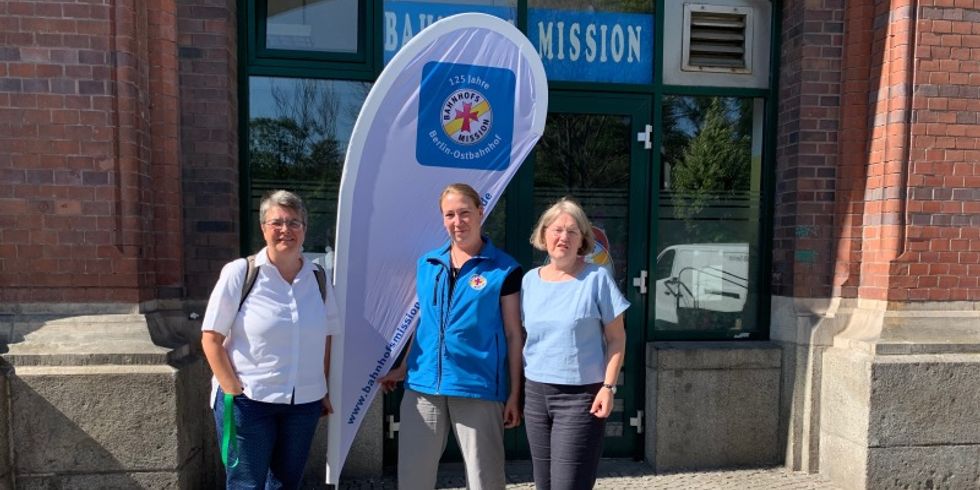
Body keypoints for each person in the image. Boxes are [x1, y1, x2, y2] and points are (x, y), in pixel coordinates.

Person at [379, 183, 524, 490]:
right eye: (450, 215)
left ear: (480, 212)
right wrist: (404, 368)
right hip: (423, 386)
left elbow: (513, 334)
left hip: (478, 387)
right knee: (413, 481)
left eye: (465, 213)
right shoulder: (428, 264)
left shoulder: (504, 269)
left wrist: (514, 393)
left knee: (485, 481)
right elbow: (426, 325)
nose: (458, 222)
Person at [201, 190, 340, 489]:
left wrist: (323, 387)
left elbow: (326, 338)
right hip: (250, 402)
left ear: (304, 229)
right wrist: (232, 390)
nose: (285, 230)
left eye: (294, 223)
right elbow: (211, 337)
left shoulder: (318, 278)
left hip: (303, 403)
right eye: (276, 222)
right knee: (246, 484)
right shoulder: (241, 272)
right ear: (263, 228)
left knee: (286, 483)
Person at [521, 198, 629, 490]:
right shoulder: (530, 281)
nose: (563, 237)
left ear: (583, 239)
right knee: (544, 484)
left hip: (581, 398)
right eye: (557, 230)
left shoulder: (597, 279)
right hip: (536, 395)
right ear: (544, 234)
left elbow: (617, 338)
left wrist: (608, 387)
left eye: (572, 231)